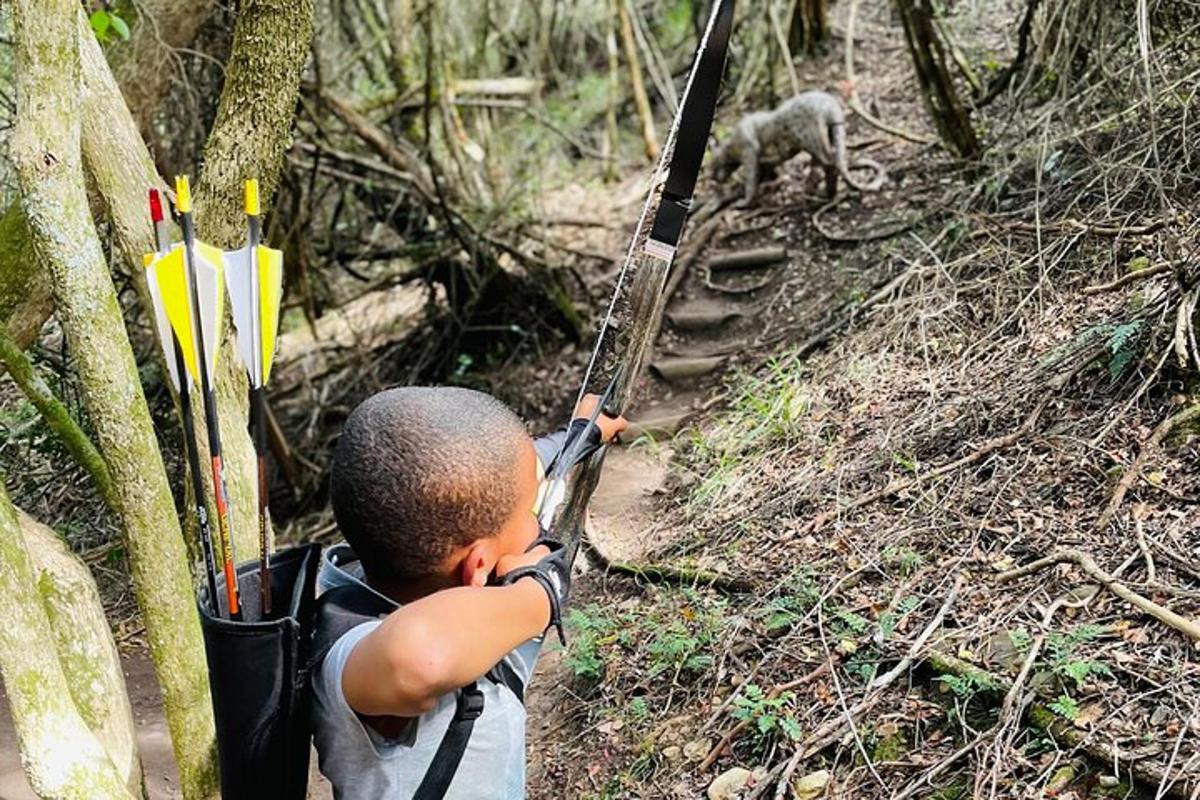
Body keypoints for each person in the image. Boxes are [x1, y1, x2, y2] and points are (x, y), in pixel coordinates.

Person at [313, 385, 626, 799]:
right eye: (528, 518)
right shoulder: (349, 647)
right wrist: (541, 592)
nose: (537, 531)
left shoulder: (424, 563)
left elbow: (484, 477)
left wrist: (580, 433)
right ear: (477, 565)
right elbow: (417, 660)